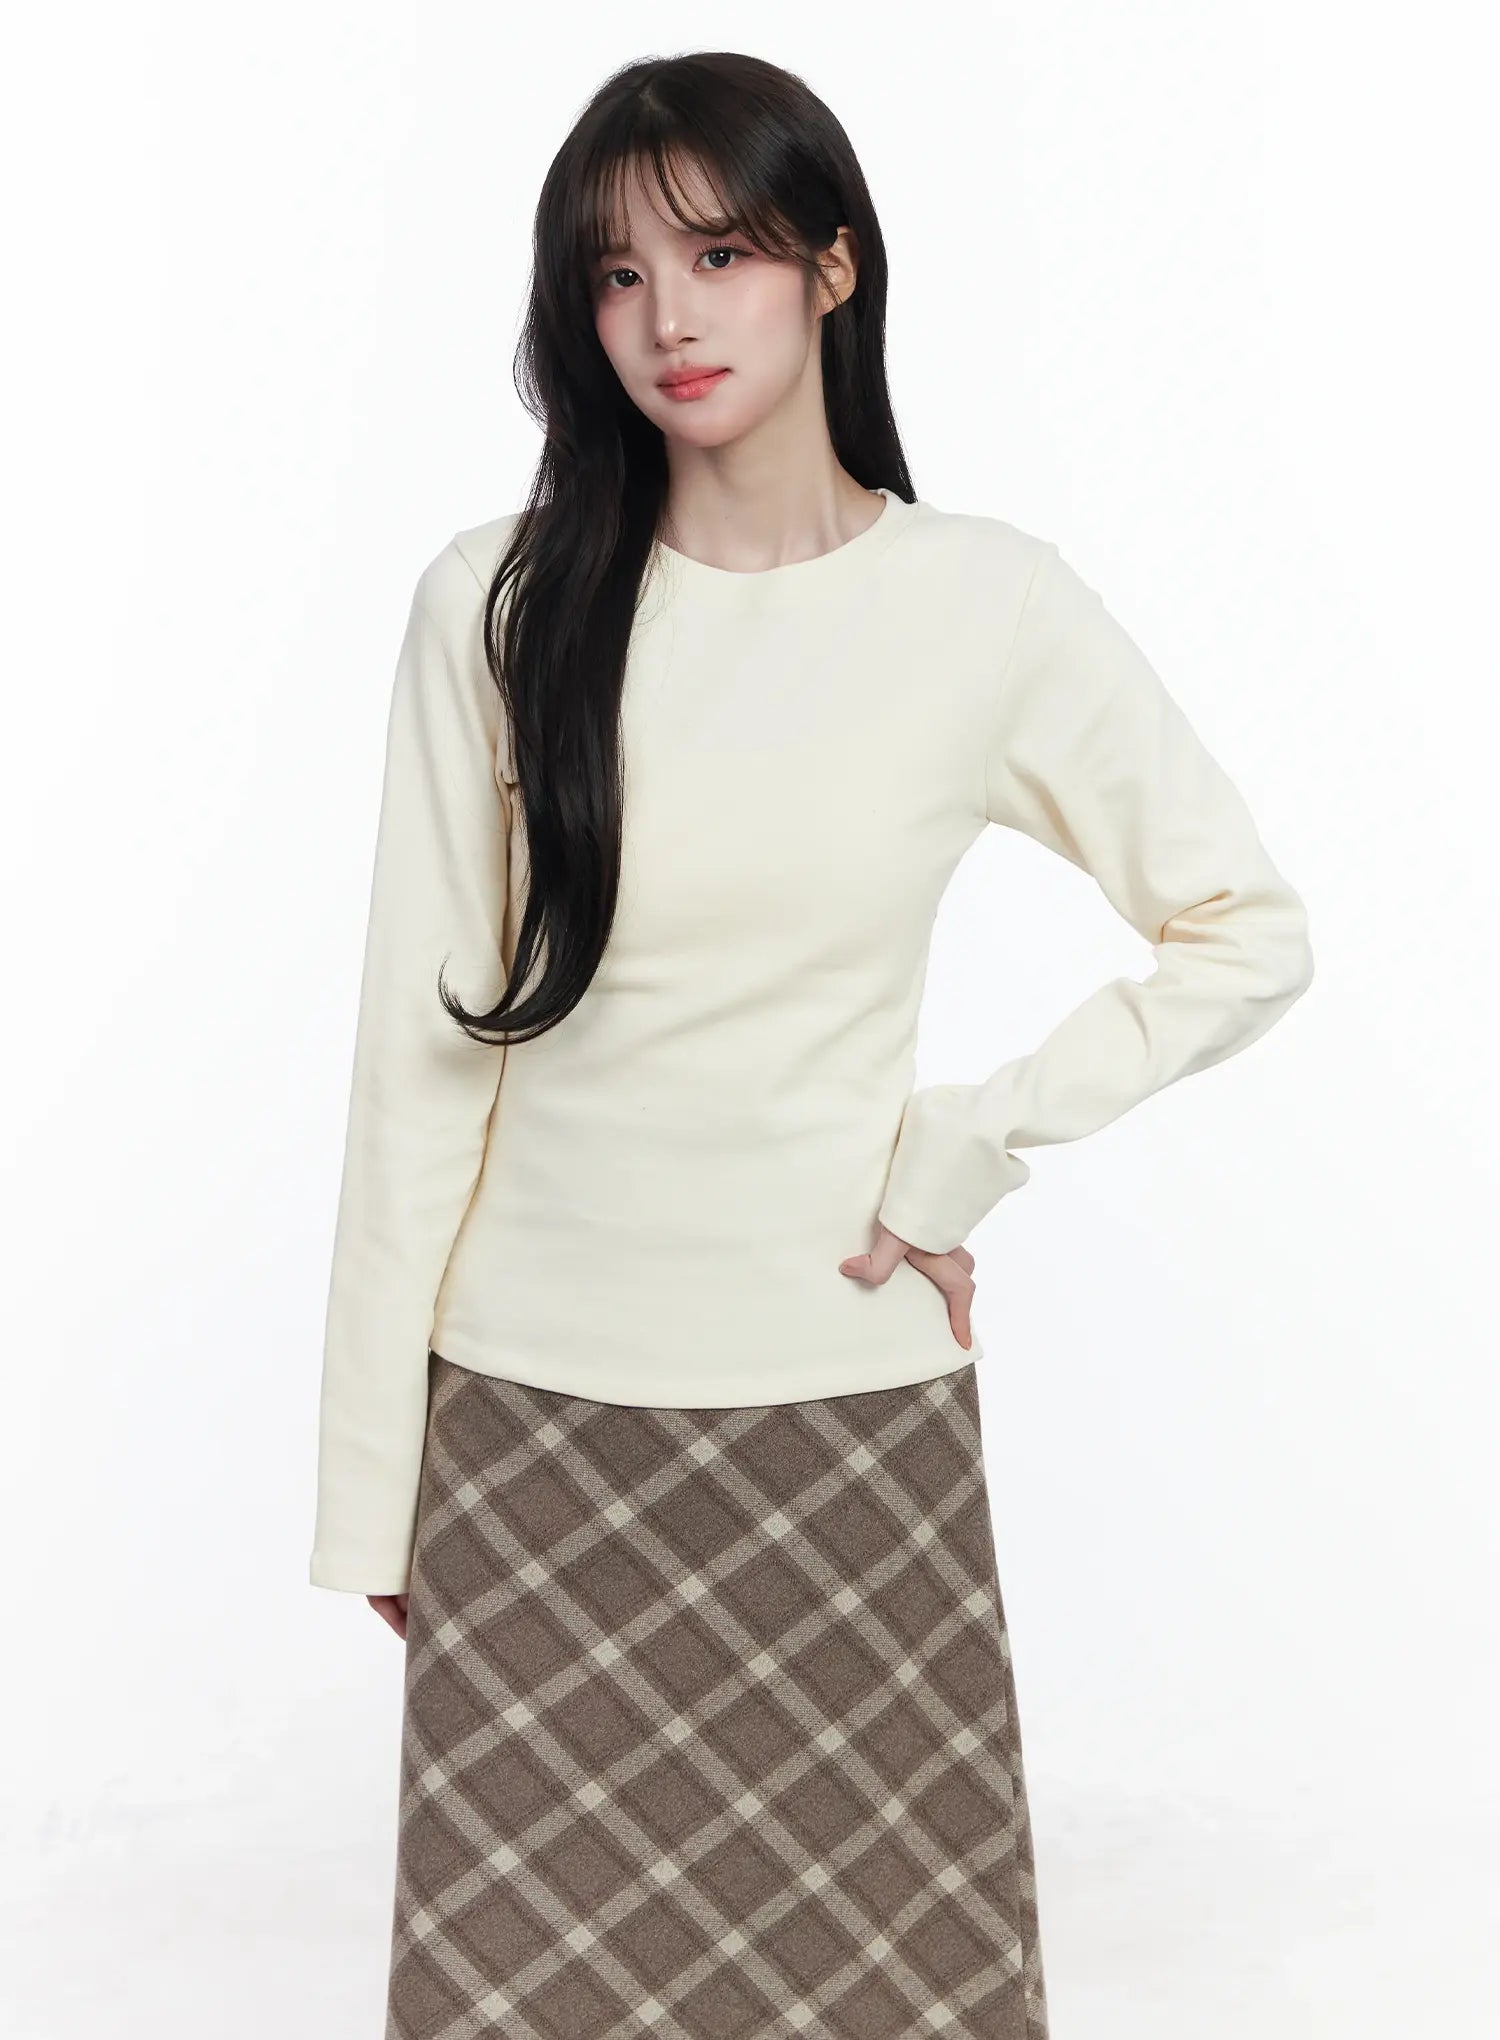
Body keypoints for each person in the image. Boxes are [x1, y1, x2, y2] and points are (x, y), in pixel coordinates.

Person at [308, 50, 1313, 2040]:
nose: (666, 317)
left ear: (834, 266)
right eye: (614, 275)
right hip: (532, 1424)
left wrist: (966, 1148)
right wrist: (374, 1481)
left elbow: (1245, 930)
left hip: (846, 1415)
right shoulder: (497, 606)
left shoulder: (985, 607)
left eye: (720, 254)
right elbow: (416, 1065)